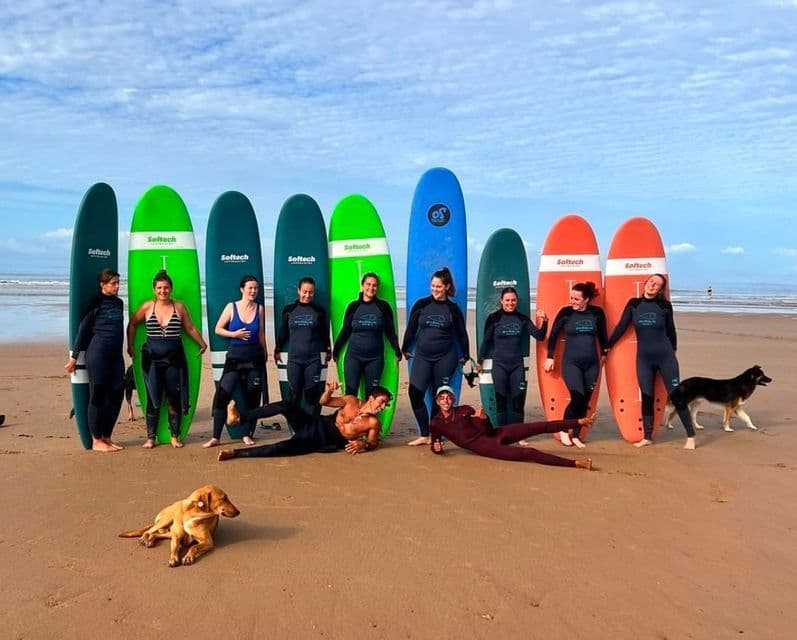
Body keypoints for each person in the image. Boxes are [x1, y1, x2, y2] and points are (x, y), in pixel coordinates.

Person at [606, 273, 697, 449]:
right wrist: (607, 346)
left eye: (657, 284)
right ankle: (647, 437)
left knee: (676, 395)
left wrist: (673, 351)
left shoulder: (664, 306)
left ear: (660, 290)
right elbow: (621, 327)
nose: (652, 285)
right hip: (644, 360)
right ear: (645, 283)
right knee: (647, 396)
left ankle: (690, 436)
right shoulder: (634, 305)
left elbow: (671, 330)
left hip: (666, 357)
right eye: (651, 282)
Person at [127, 270, 207, 449]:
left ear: (171, 289)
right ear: (154, 289)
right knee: (153, 398)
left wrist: (202, 342)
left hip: (174, 360)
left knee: (174, 397)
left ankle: (174, 436)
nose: (163, 291)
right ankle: (150, 437)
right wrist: (129, 345)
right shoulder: (148, 307)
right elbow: (132, 323)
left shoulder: (179, 307)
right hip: (152, 361)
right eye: (159, 288)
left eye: (166, 287)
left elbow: (190, 328)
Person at [217, 381, 391, 460]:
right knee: (286, 405)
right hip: (316, 423)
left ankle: (235, 453)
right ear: (371, 398)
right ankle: (239, 417)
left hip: (320, 441)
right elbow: (324, 402)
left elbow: (373, 443)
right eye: (381, 402)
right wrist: (329, 391)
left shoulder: (373, 423)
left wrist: (364, 445)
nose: (382, 407)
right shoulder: (351, 401)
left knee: (280, 448)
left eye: (385, 405)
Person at [429, 386, 593, 468]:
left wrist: (485, 419)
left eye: (449, 398)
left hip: (496, 434)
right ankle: (576, 463)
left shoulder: (465, 410)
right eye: (442, 398)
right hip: (486, 446)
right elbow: (435, 446)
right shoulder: (436, 423)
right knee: (529, 453)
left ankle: (579, 422)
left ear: (453, 399)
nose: (446, 401)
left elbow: (489, 431)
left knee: (538, 426)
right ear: (437, 401)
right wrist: (437, 449)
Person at [402, 267, 470, 446]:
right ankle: (424, 434)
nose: (434, 290)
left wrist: (466, 354)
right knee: (415, 393)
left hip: (445, 357)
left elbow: (462, 334)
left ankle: (435, 433)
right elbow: (411, 329)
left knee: (439, 397)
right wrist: (404, 347)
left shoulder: (453, 309)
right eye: (432, 286)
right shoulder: (421, 304)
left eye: (438, 287)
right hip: (423, 356)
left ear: (447, 287)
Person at [64, 268, 126, 452]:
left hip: (116, 356)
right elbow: (83, 330)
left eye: (117, 283)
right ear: (102, 285)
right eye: (113, 283)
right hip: (97, 354)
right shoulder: (95, 302)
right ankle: (96, 439)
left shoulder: (119, 303)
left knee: (117, 394)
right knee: (98, 395)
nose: (116, 287)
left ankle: (107, 436)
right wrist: (74, 357)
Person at [203, 275, 268, 448]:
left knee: (252, 397)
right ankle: (216, 437)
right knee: (223, 394)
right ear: (242, 289)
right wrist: (234, 334)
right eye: (250, 288)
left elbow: (261, 334)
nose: (253, 291)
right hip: (235, 358)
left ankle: (246, 434)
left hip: (254, 358)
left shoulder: (259, 309)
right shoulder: (231, 307)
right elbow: (218, 329)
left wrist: (265, 353)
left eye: (256, 288)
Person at [543, 281, 608, 449]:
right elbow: (554, 335)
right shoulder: (566, 313)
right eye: (571, 297)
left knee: (585, 400)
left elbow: (603, 335)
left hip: (592, 363)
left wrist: (605, 354)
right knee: (577, 397)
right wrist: (550, 357)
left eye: (576, 299)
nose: (572, 301)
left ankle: (577, 435)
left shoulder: (597, 313)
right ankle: (564, 430)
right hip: (572, 363)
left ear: (586, 299)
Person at [477, 287, 548, 426]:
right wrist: (480, 360)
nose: (510, 303)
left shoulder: (522, 319)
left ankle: (518, 435)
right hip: (499, 366)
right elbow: (486, 342)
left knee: (518, 401)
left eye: (513, 300)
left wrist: (545, 322)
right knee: (501, 400)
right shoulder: (493, 319)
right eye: (507, 300)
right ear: (501, 301)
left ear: (516, 301)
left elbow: (539, 336)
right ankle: (502, 433)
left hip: (517, 366)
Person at [332, 272, 401, 397]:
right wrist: (336, 350)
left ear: (377, 288)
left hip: (375, 359)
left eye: (374, 285)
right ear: (362, 286)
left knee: (372, 395)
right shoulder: (353, 306)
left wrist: (397, 351)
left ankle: (369, 417)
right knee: (350, 393)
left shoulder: (383, 307)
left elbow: (390, 332)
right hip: (354, 357)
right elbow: (345, 330)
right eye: (368, 284)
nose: (371, 288)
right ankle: (352, 417)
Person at [273, 277, 331, 408]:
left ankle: (311, 426)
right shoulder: (289, 310)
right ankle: (296, 426)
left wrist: (328, 349)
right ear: (298, 291)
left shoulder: (318, 311)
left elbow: (324, 333)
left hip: (313, 360)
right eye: (304, 291)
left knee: (312, 396)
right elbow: (283, 333)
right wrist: (277, 349)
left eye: (310, 292)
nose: (307, 295)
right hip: (294, 360)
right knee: (294, 395)